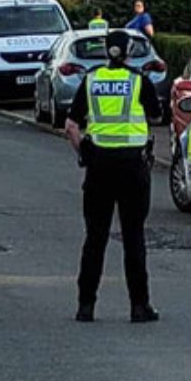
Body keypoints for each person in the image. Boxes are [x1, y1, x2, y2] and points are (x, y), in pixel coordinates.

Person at [65, 29, 163, 324]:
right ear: (129, 52)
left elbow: (71, 126)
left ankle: (85, 306)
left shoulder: (91, 80)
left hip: (99, 167)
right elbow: (156, 116)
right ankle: (139, 306)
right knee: (134, 237)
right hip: (132, 167)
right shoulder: (138, 81)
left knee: (95, 238)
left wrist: (84, 153)